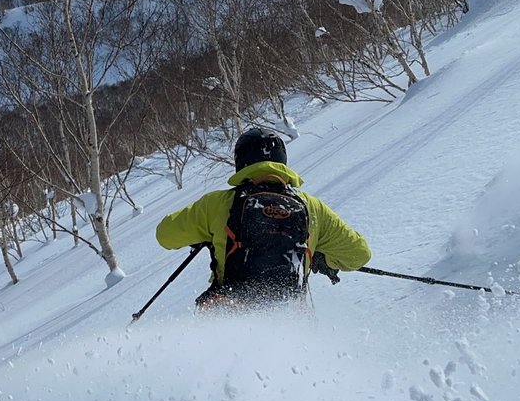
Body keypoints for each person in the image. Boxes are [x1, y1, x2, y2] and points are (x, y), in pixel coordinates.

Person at [155, 127, 371, 309]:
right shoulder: (312, 207)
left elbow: (165, 235)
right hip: (290, 320)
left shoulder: (217, 204)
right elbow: (359, 254)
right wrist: (323, 259)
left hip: (228, 312)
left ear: (241, 162)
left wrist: (203, 234)